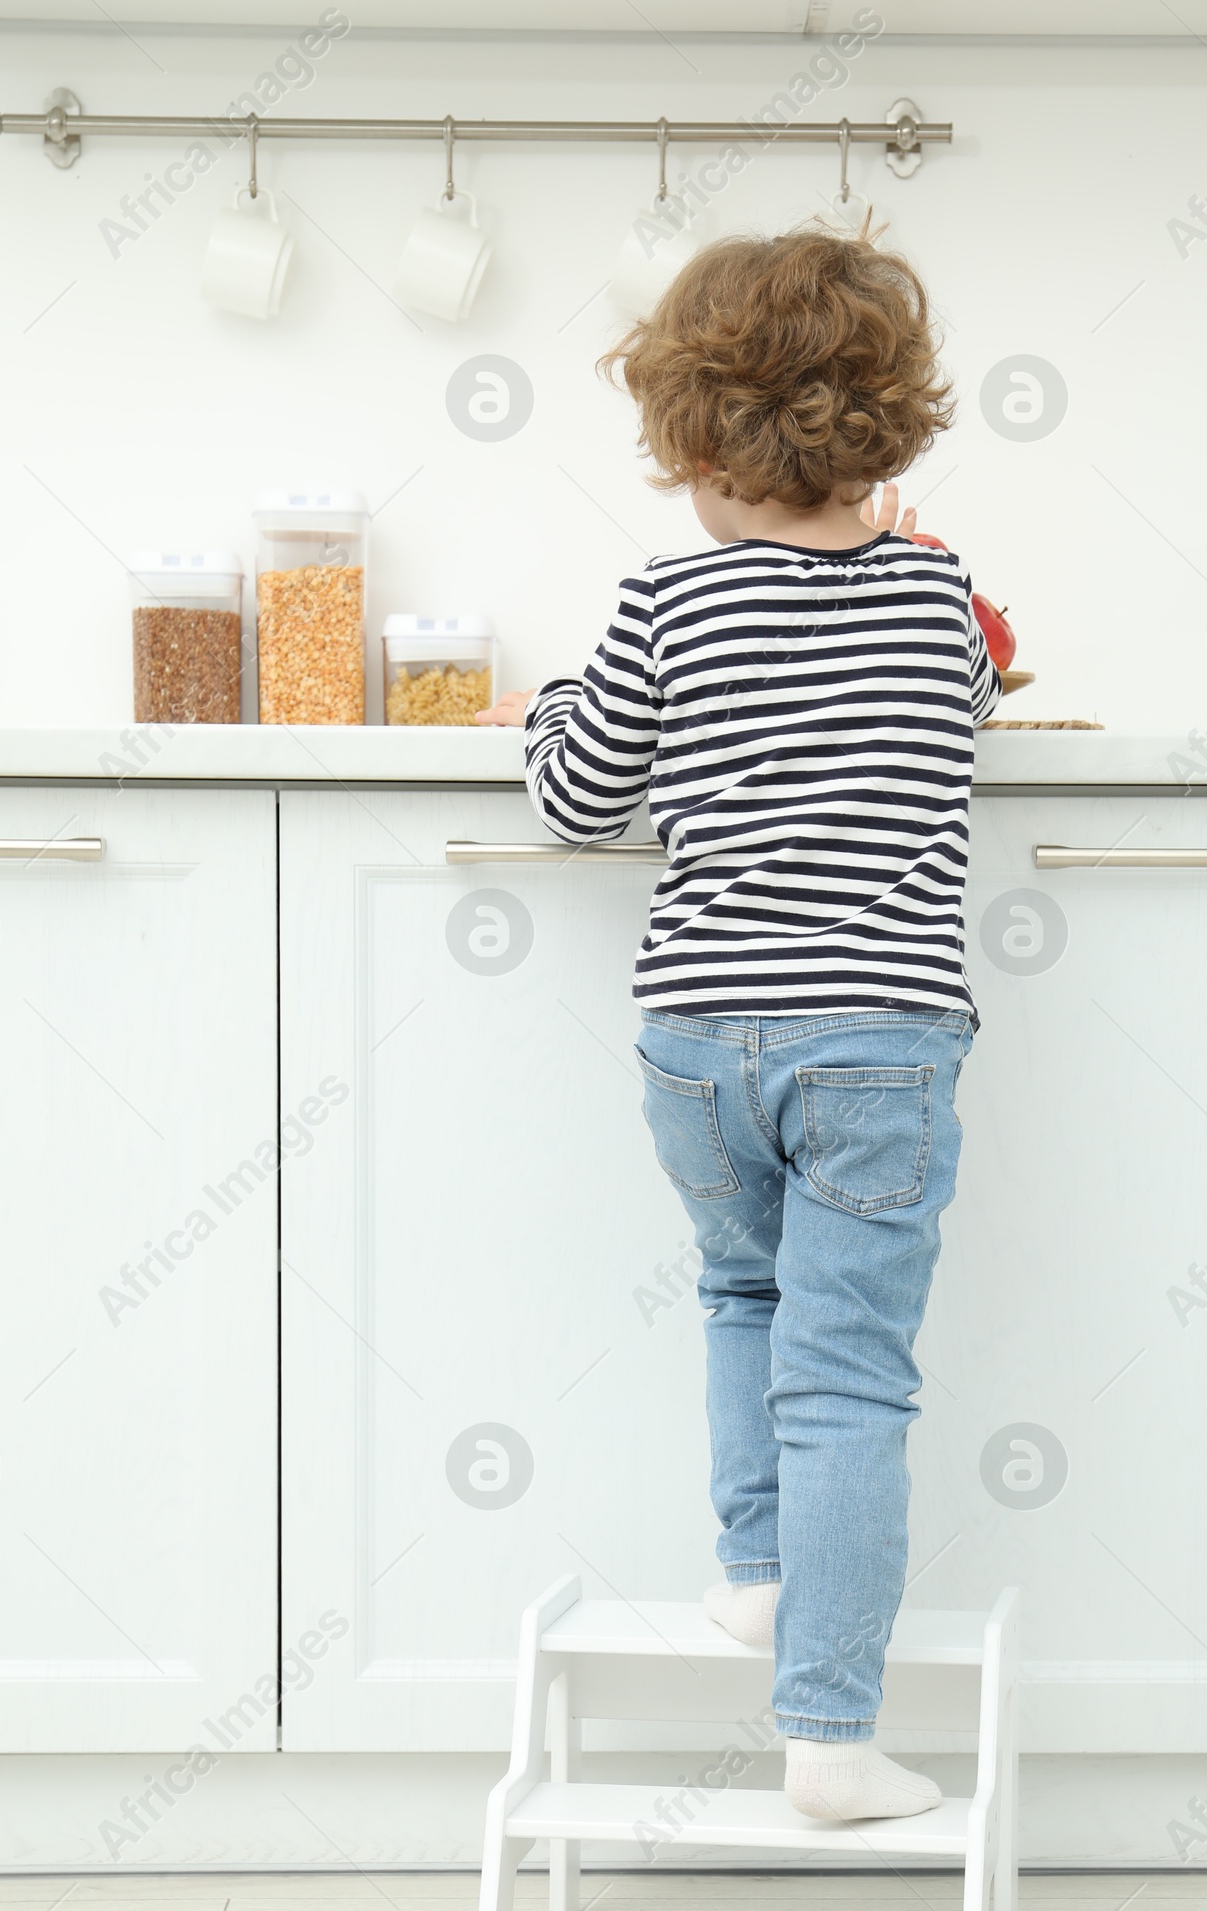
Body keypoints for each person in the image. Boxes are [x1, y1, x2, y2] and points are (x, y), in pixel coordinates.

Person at [479, 229, 1000, 1822]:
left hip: (700, 1044)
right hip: (877, 1046)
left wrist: (554, 705)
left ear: (702, 446)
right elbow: (968, 698)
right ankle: (829, 1736)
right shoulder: (939, 597)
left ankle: (760, 1577)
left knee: (738, 1291)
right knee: (847, 1376)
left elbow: (577, 801)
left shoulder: (669, 601)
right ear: (886, 431)